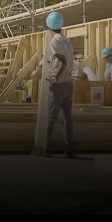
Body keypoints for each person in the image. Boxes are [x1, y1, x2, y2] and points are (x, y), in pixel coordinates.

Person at [43, 11, 75, 158]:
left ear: (49, 26)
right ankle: (69, 150)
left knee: (51, 117)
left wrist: (54, 76)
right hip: (68, 83)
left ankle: (44, 148)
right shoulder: (66, 40)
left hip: (59, 83)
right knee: (67, 118)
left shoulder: (55, 40)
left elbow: (61, 60)